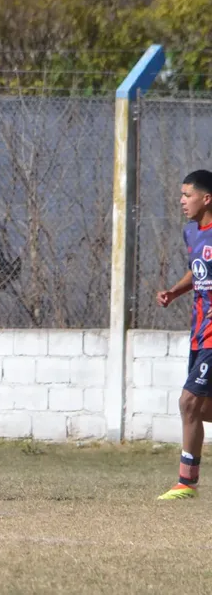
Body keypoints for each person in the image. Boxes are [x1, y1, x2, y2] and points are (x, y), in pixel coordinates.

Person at [156, 169, 212, 500]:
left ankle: (186, 482)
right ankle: (187, 483)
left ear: (207, 199)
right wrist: (175, 292)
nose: (181, 201)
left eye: (187, 195)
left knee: (187, 402)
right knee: (201, 409)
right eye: (181, 194)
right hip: (199, 332)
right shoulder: (191, 233)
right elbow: (198, 268)